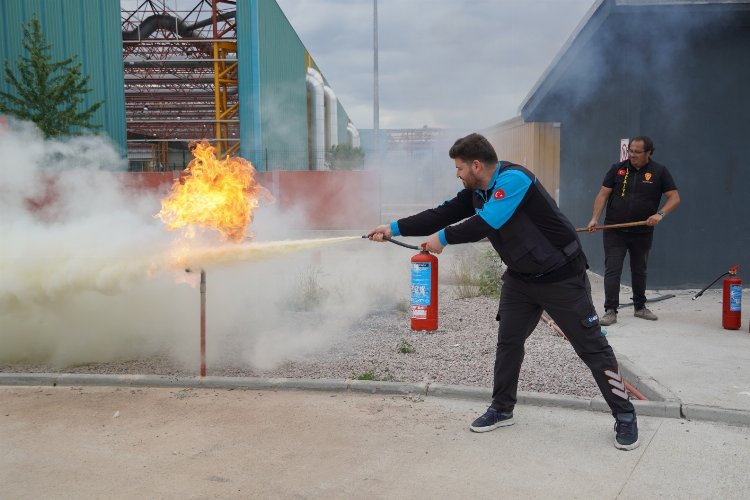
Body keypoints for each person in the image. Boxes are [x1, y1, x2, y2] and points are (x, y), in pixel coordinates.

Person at [368, 133, 639, 450]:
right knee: (509, 343)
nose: (457, 174)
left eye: (458, 168)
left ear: (476, 165)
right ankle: (501, 409)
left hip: (562, 278)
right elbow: (440, 213)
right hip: (521, 280)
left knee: (592, 348)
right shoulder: (476, 192)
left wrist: (442, 239)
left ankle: (625, 415)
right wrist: (393, 227)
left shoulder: (514, 180)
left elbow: (487, 223)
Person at [587, 136, 680, 326]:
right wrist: (595, 218)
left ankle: (640, 307)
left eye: (637, 152)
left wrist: (660, 214)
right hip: (614, 230)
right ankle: (610, 310)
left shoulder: (659, 172)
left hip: (642, 231)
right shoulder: (617, 169)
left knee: (639, 270)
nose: (633, 155)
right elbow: (603, 194)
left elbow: (674, 197)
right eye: (631, 151)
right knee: (613, 270)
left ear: (649, 153)